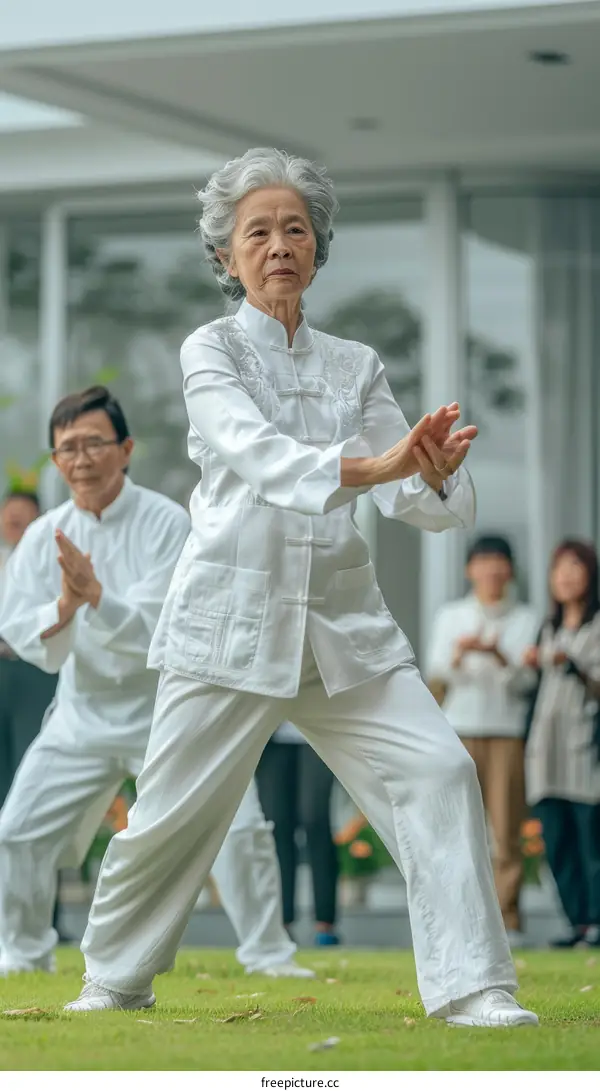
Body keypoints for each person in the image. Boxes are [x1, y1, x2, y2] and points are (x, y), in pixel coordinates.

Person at [66, 147, 537, 1028]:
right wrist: (382, 464)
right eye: (259, 232)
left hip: (341, 626)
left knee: (438, 769)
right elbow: (259, 455)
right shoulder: (208, 350)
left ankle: (475, 984)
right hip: (228, 622)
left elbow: (416, 498)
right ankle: (115, 976)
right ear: (226, 255)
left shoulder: (356, 365)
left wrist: (430, 469)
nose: (280, 243)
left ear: (318, 246)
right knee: (169, 813)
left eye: (296, 229)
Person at [0, 385, 312, 980]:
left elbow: (167, 625)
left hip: (168, 711)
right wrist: (62, 610)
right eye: (67, 447)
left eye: (94, 442)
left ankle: (269, 953)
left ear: (126, 449)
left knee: (239, 828)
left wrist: (94, 596)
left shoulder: (169, 523)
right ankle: (22, 950)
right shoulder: (45, 536)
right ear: (54, 459)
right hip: (80, 715)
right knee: (17, 831)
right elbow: (20, 625)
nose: (81, 458)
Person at [426, 535, 538, 945]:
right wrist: (461, 655)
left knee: (506, 831)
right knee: (458, 828)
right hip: (459, 730)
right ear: (469, 570)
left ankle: (508, 920)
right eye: (483, 562)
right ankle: (461, 921)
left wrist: (497, 656)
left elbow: (528, 682)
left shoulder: (526, 617)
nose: (491, 570)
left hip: (506, 731)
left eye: (499, 562)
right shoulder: (450, 615)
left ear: (510, 570)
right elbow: (436, 674)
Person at [523, 538, 600, 949]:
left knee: (592, 841)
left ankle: (596, 919)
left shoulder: (596, 625)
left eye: (576, 566)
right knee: (556, 839)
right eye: (560, 568)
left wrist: (570, 666)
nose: (567, 576)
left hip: (585, 749)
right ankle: (578, 923)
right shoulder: (547, 627)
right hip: (545, 751)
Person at [0, 491, 69, 942]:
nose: (17, 529)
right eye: (10, 522)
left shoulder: (49, 564)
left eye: (26, 522)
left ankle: (46, 916)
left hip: (35, 676)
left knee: (37, 791)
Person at [256, 721, 340, 945]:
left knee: (315, 820)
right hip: (270, 735)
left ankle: (325, 923)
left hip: (316, 729)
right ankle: (281, 923)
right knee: (277, 826)